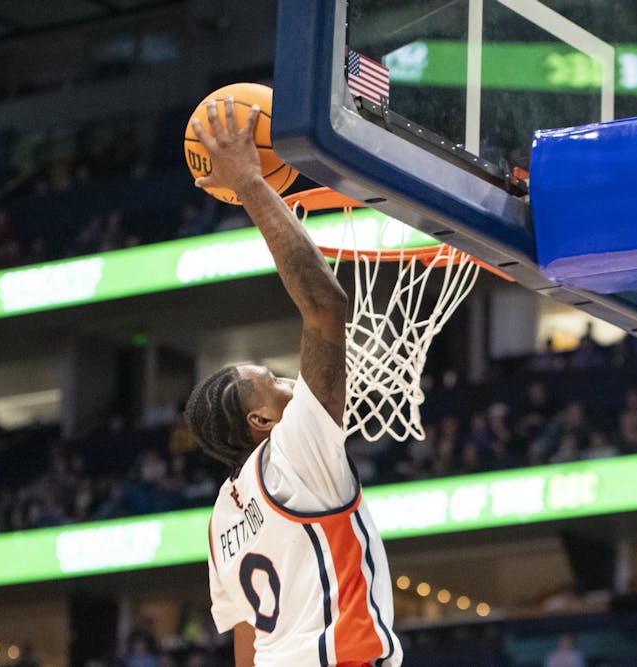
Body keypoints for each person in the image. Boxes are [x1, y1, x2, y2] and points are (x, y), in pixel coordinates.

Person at [185, 98, 401, 666]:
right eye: (276, 381)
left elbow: (247, 641)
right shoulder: (295, 449)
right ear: (261, 421)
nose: (291, 382)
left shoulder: (224, 516)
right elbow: (325, 306)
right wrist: (250, 183)